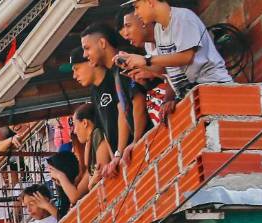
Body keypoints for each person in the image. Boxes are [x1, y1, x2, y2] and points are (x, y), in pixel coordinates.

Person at [120, 0, 233, 102]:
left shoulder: (182, 17)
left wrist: (146, 60)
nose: (135, 13)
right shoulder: (159, 29)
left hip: (216, 88)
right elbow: (165, 68)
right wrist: (133, 62)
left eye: (137, 7)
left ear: (150, 2)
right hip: (195, 95)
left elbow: (187, 57)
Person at [82, 24, 147, 161]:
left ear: (102, 43)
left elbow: (138, 100)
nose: (85, 54)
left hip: (150, 141)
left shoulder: (125, 61)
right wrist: (118, 153)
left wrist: (136, 141)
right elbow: (122, 110)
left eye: (87, 48)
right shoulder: (114, 71)